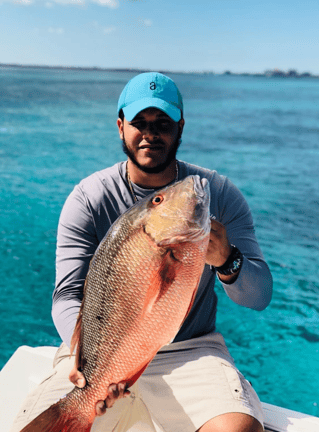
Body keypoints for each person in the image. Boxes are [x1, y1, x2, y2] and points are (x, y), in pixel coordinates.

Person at [11, 72, 272, 432]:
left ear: (180, 127)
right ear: (121, 126)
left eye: (163, 123)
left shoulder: (220, 194)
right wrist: (88, 359)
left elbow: (259, 296)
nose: (151, 132)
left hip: (190, 350)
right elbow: (67, 295)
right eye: (139, 122)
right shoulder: (88, 198)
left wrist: (228, 259)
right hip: (98, 353)